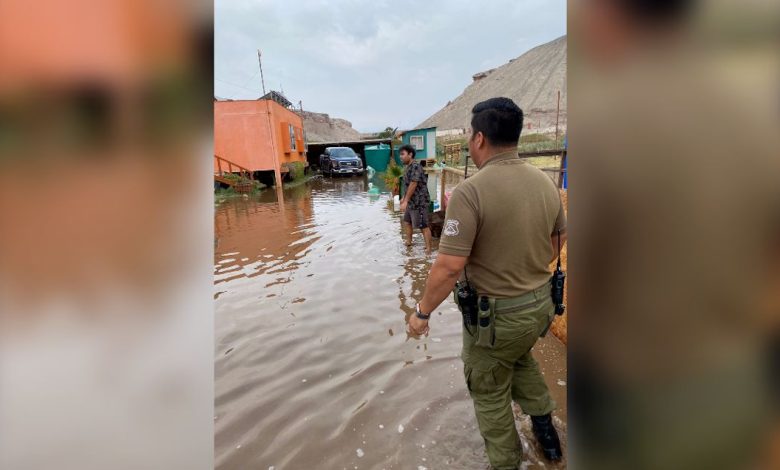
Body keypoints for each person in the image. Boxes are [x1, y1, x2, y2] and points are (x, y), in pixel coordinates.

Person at [407, 97, 566, 469]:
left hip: (496, 321)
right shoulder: (544, 183)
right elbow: (557, 242)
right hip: (539, 309)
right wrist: (521, 266)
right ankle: (550, 440)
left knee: (489, 390)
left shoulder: (469, 192)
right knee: (519, 359)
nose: (467, 141)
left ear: (479, 139)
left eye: (467, 134)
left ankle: (507, 462)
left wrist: (421, 312)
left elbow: (447, 267)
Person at [398, 144, 432, 252]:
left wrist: (406, 201)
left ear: (410, 154)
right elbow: (407, 185)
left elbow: (413, 183)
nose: (401, 157)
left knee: (423, 226)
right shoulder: (408, 167)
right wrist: (404, 198)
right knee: (407, 221)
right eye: (400, 154)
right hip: (411, 202)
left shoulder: (416, 166)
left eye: (403, 154)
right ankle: (409, 242)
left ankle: (428, 249)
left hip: (420, 201)